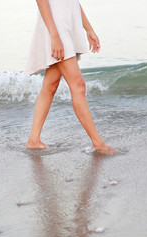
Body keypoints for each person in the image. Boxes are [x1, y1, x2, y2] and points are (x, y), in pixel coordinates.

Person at [25, 0, 118, 155]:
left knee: (50, 85)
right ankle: (98, 143)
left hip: (66, 27)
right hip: (56, 28)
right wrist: (54, 36)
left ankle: (33, 140)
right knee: (78, 86)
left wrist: (89, 29)